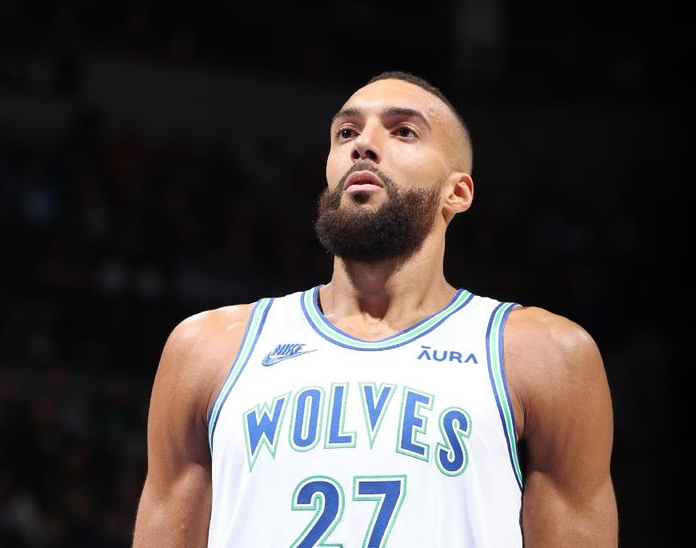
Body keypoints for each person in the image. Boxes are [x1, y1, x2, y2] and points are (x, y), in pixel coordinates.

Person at [132, 71, 618, 547]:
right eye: (346, 132)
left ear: (458, 192)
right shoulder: (207, 349)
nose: (362, 145)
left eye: (403, 131)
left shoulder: (544, 356)